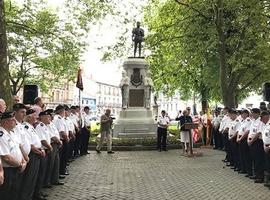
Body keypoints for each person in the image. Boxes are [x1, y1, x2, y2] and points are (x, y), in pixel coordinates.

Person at [0, 111, 27, 200]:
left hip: (16, 168)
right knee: (6, 194)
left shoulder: (12, 133)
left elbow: (18, 149)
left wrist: (23, 161)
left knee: (14, 193)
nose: (15, 122)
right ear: (5, 122)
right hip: (8, 171)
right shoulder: (1, 135)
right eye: (12, 120)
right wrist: (20, 164)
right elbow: (6, 157)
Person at [20, 109, 44, 200]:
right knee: (29, 179)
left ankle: (32, 195)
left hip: (36, 153)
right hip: (32, 154)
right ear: (29, 117)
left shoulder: (31, 126)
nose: (36, 117)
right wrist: (39, 151)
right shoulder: (25, 127)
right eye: (34, 115)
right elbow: (31, 144)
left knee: (34, 178)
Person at [248, 108, 265, 183]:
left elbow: (258, 133)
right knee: (254, 159)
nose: (252, 114)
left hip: (257, 141)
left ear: (257, 113)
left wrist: (251, 140)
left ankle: (260, 176)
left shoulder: (260, 122)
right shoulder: (253, 121)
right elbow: (251, 131)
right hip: (252, 141)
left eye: (253, 113)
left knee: (258, 159)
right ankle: (256, 174)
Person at [236, 109, 252, 176]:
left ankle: (248, 171)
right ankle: (243, 169)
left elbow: (247, 131)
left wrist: (240, 138)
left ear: (246, 114)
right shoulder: (242, 121)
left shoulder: (248, 121)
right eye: (241, 114)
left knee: (246, 155)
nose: (241, 115)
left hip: (244, 139)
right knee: (241, 155)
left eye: (243, 113)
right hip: (240, 138)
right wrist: (238, 138)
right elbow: (239, 131)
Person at [262, 113, 270, 188]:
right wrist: (265, 146)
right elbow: (265, 137)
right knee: (268, 165)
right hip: (266, 146)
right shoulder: (266, 125)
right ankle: (268, 181)